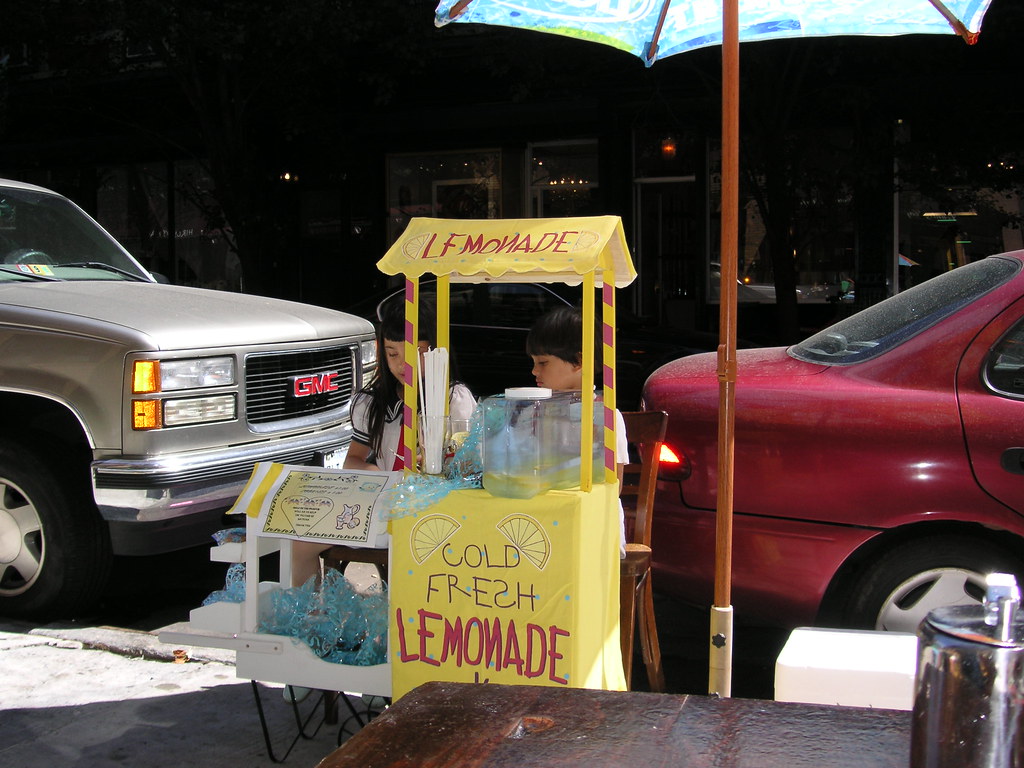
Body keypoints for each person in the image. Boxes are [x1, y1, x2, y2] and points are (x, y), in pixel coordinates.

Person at [526, 306, 628, 557]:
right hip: (541, 524)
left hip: (593, 530)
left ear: (579, 361)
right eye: (533, 363)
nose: (534, 371)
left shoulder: (605, 415)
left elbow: (614, 485)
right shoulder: (532, 412)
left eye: (543, 362)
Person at [345, 302, 476, 472]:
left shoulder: (452, 398)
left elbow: (470, 462)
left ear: (435, 350)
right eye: (393, 354)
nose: (403, 364)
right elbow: (352, 460)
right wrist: (378, 474)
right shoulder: (372, 403)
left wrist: (439, 465)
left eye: (417, 353)